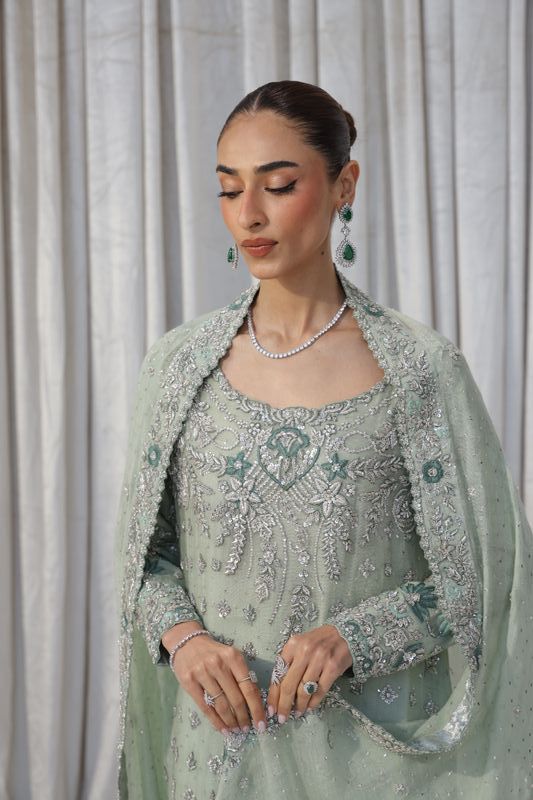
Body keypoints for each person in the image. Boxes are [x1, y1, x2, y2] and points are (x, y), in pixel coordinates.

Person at [114, 80, 533, 799]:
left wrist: (352, 638)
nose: (248, 214)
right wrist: (183, 639)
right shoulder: (179, 366)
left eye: (278, 185)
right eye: (229, 189)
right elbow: (145, 557)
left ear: (345, 185)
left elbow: (484, 579)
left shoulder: (420, 370)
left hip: (373, 758)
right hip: (219, 756)